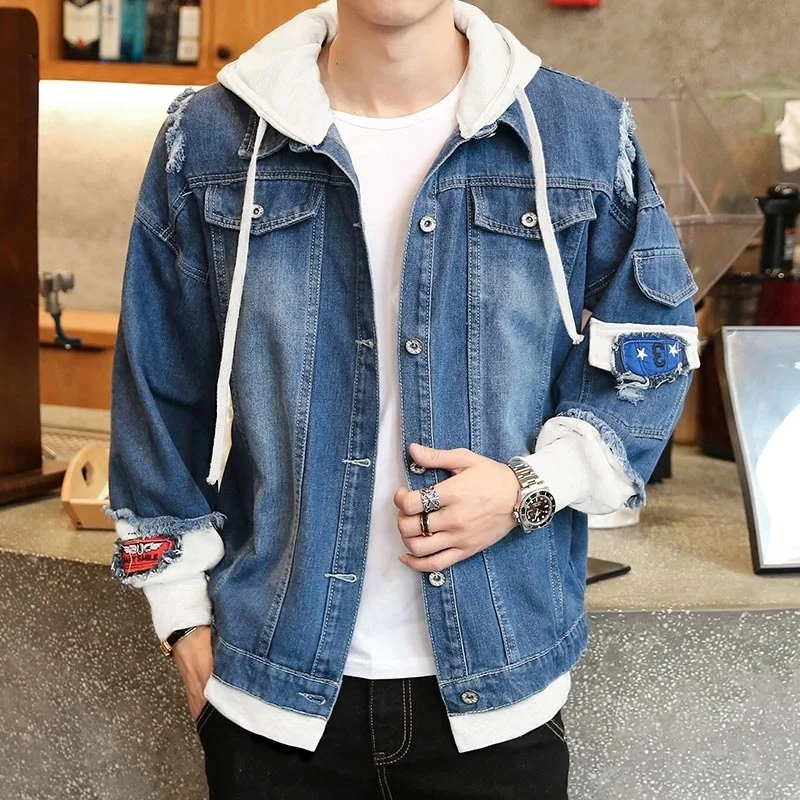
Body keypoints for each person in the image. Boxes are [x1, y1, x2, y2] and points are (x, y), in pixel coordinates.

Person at [106, 0, 699, 797]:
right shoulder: (210, 137)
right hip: (269, 697)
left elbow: (654, 353)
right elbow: (156, 387)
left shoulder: (582, 132)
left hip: (500, 696)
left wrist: (529, 485)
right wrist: (180, 616)